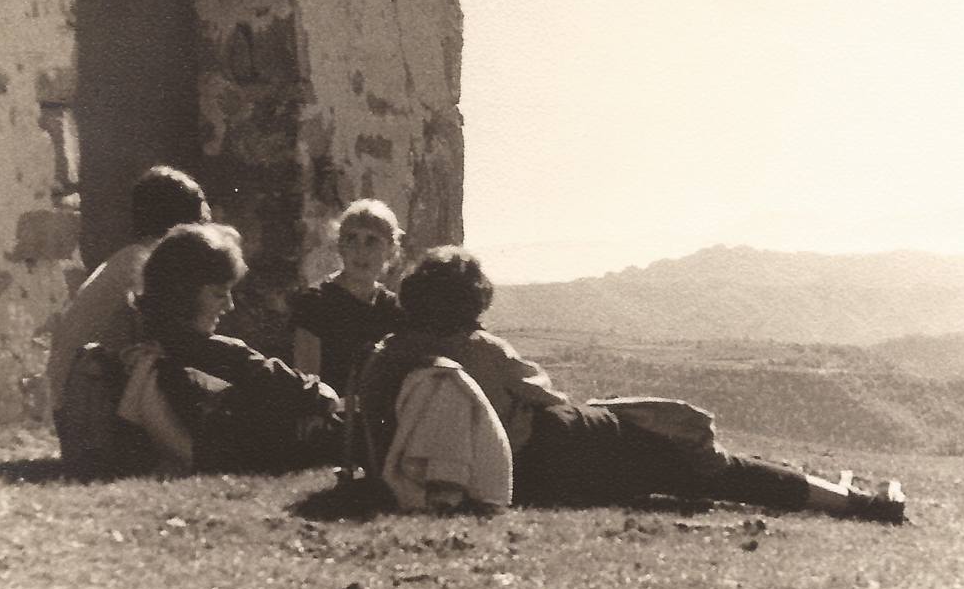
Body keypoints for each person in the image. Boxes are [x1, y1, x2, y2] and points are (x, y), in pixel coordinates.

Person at [356, 247, 906, 522]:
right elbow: (547, 396)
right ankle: (858, 503)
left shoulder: (385, 354)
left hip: (526, 481)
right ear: (474, 300)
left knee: (689, 465)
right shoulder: (481, 349)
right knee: (704, 466)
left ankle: (834, 490)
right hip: (562, 445)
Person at [126, 223, 343, 474]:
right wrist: (318, 393)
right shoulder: (200, 352)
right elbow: (267, 376)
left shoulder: (158, 347)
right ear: (184, 294)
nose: (229, 305)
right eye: (219, 294)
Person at [47, 165, 210, 447]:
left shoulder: (132, 257)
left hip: (76, 408)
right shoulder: (146, 263)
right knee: (162, 363)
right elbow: (168, 341)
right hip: (89, 411)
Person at [291, 199, 406, 397]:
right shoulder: (316, 303)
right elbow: (307, 382)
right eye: (352, 239)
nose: (361, 251)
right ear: (340, 247)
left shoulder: (393, 309)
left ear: (390, 250)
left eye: (372, 240)